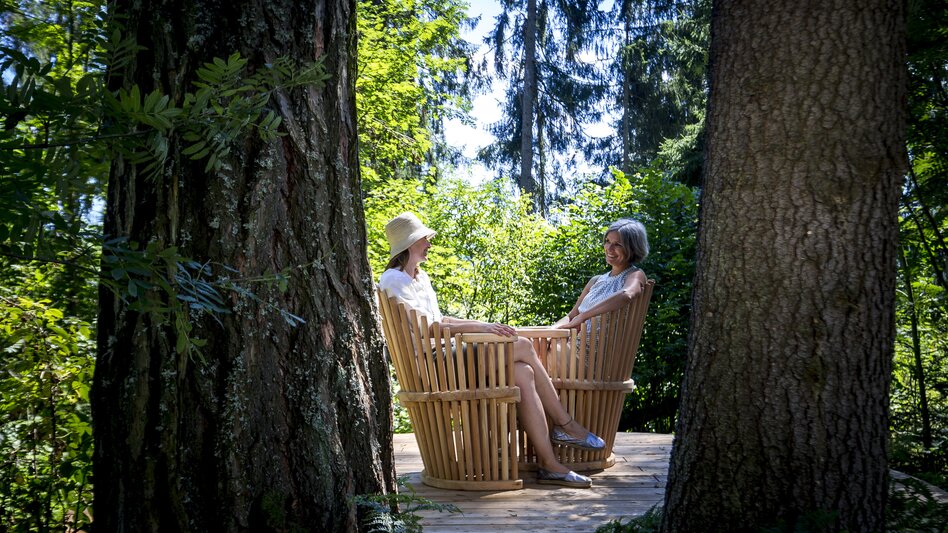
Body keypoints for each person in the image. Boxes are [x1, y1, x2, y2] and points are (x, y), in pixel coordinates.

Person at [378, 212, 604, 488]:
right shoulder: (392, 280)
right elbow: (429, 330)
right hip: (434, 364)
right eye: (424, 238)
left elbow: (441, 320)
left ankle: (550, 464)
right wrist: (482, 328)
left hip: (449, 354)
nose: (428, 243)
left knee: (523, 373)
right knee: (521, 345)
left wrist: (485, 325)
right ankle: (565, 424)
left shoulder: (419, 277)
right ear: (410, 243)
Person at [555, 218, 649, 331]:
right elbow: (571, 316)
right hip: (571, 340)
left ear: (633, 248)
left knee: (529, 344)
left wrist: (584, 316)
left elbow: (626, 295)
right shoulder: (596, 280)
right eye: (608, 241)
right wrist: (551, 331)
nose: (609, 248)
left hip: (596, 345)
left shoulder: (635, 274)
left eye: (617, 244)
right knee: (530, 342)